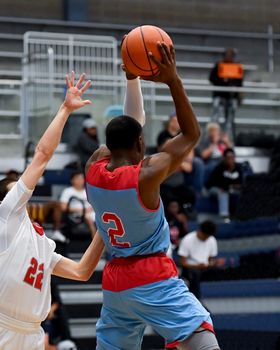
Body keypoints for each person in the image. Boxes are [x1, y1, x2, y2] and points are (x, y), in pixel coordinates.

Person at [85, 43, 220, 350]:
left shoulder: (93, 167)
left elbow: (130, 125)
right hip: (151, 276)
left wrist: (132, 79)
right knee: (201, 336)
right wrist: (173, 80)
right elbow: (191, 135)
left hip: (115, 282)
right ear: (141, 146)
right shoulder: (145, 176)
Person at [0, 72, 104, 350]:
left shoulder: (43, 244)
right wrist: (65, 109)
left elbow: (82, 271)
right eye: (16, 185)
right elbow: (42, 156)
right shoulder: (6, 215)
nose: (24, 186)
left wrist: (107, 223)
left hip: (33, 333)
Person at [178, 221, 219, 300]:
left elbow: (211, 260)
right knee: (194, 273)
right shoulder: (187, 239)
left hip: (205, 268)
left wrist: (212, 264)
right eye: (205, 236)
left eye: (208, 236)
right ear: (200, 231)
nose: (206, 238)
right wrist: (197, 266)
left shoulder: (212, 240)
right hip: (191, 268)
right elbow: (183, 262)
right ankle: (197, 299)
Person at [209, 48, 243, 139]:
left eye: (231, 55)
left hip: (231, 97)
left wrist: (233, 83)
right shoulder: (218, 65)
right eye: (227, 55)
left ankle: (227, 138)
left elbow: (240, 82)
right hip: (220, 95)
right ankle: (213, 138)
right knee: (215, 118)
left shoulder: (237, 66)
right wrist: (223, 81)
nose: (229, 57)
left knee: (229, 119)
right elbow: (211, 78)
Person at [206, 148, 244, 220]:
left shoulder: (238, 168)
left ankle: (241, 216)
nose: (230, 159)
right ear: (224, 158)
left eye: (232, 157)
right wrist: (231, 185)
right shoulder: (219, 168)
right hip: (214, 188)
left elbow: (241, 183)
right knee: (223, 192)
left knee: (243, 193)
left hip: (231, 188)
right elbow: (219, 183)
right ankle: (224, 217)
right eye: (228, 158)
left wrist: (231, 185)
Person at [60, 170, 96, 237]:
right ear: (72, 180)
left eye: (82, 178)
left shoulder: (88, 191)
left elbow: (95, 204)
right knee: (88, 217)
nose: (80, 180)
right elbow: (63, 207)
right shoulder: (68, 191)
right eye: (78, 178)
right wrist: (82, 210)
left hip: (90, 212)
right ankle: (93, 238)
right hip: (75, 214)